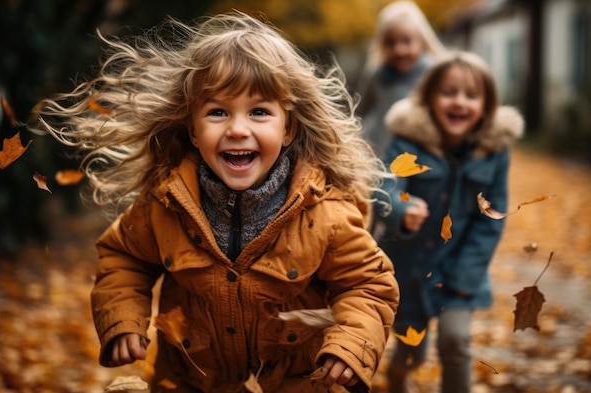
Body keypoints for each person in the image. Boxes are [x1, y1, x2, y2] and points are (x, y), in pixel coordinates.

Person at [29, 11, 399, 393]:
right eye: (218, 112)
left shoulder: (325, 213)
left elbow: (368, 284)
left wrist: (351, 346)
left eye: (259, 112)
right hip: (192, 381)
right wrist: (122, 319)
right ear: (192, 129)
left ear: (287, 129)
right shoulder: (165, 202)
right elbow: (125, 258)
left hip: (295, 381)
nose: (238, 129)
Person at [376, 50, 524, 393]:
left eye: (471, 95)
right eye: (449, 93)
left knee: (455, 342)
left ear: (486, 105)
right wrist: (403, 208)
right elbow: (386, 189)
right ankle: (399, 378)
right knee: (412, 348)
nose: (460, 102)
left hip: (458, 268)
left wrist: (465, 276)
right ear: (429, 98)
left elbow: (491, 220)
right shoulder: (406, 142)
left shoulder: (494, 152)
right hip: (408, 268)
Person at [354, 0, 444, 161]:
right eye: (391, 43)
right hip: (378, 155)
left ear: (421, 41)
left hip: (421, 155)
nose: (399, 49)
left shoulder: (434, 73)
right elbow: (359, 112)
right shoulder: (376, 75)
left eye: (407, 41)